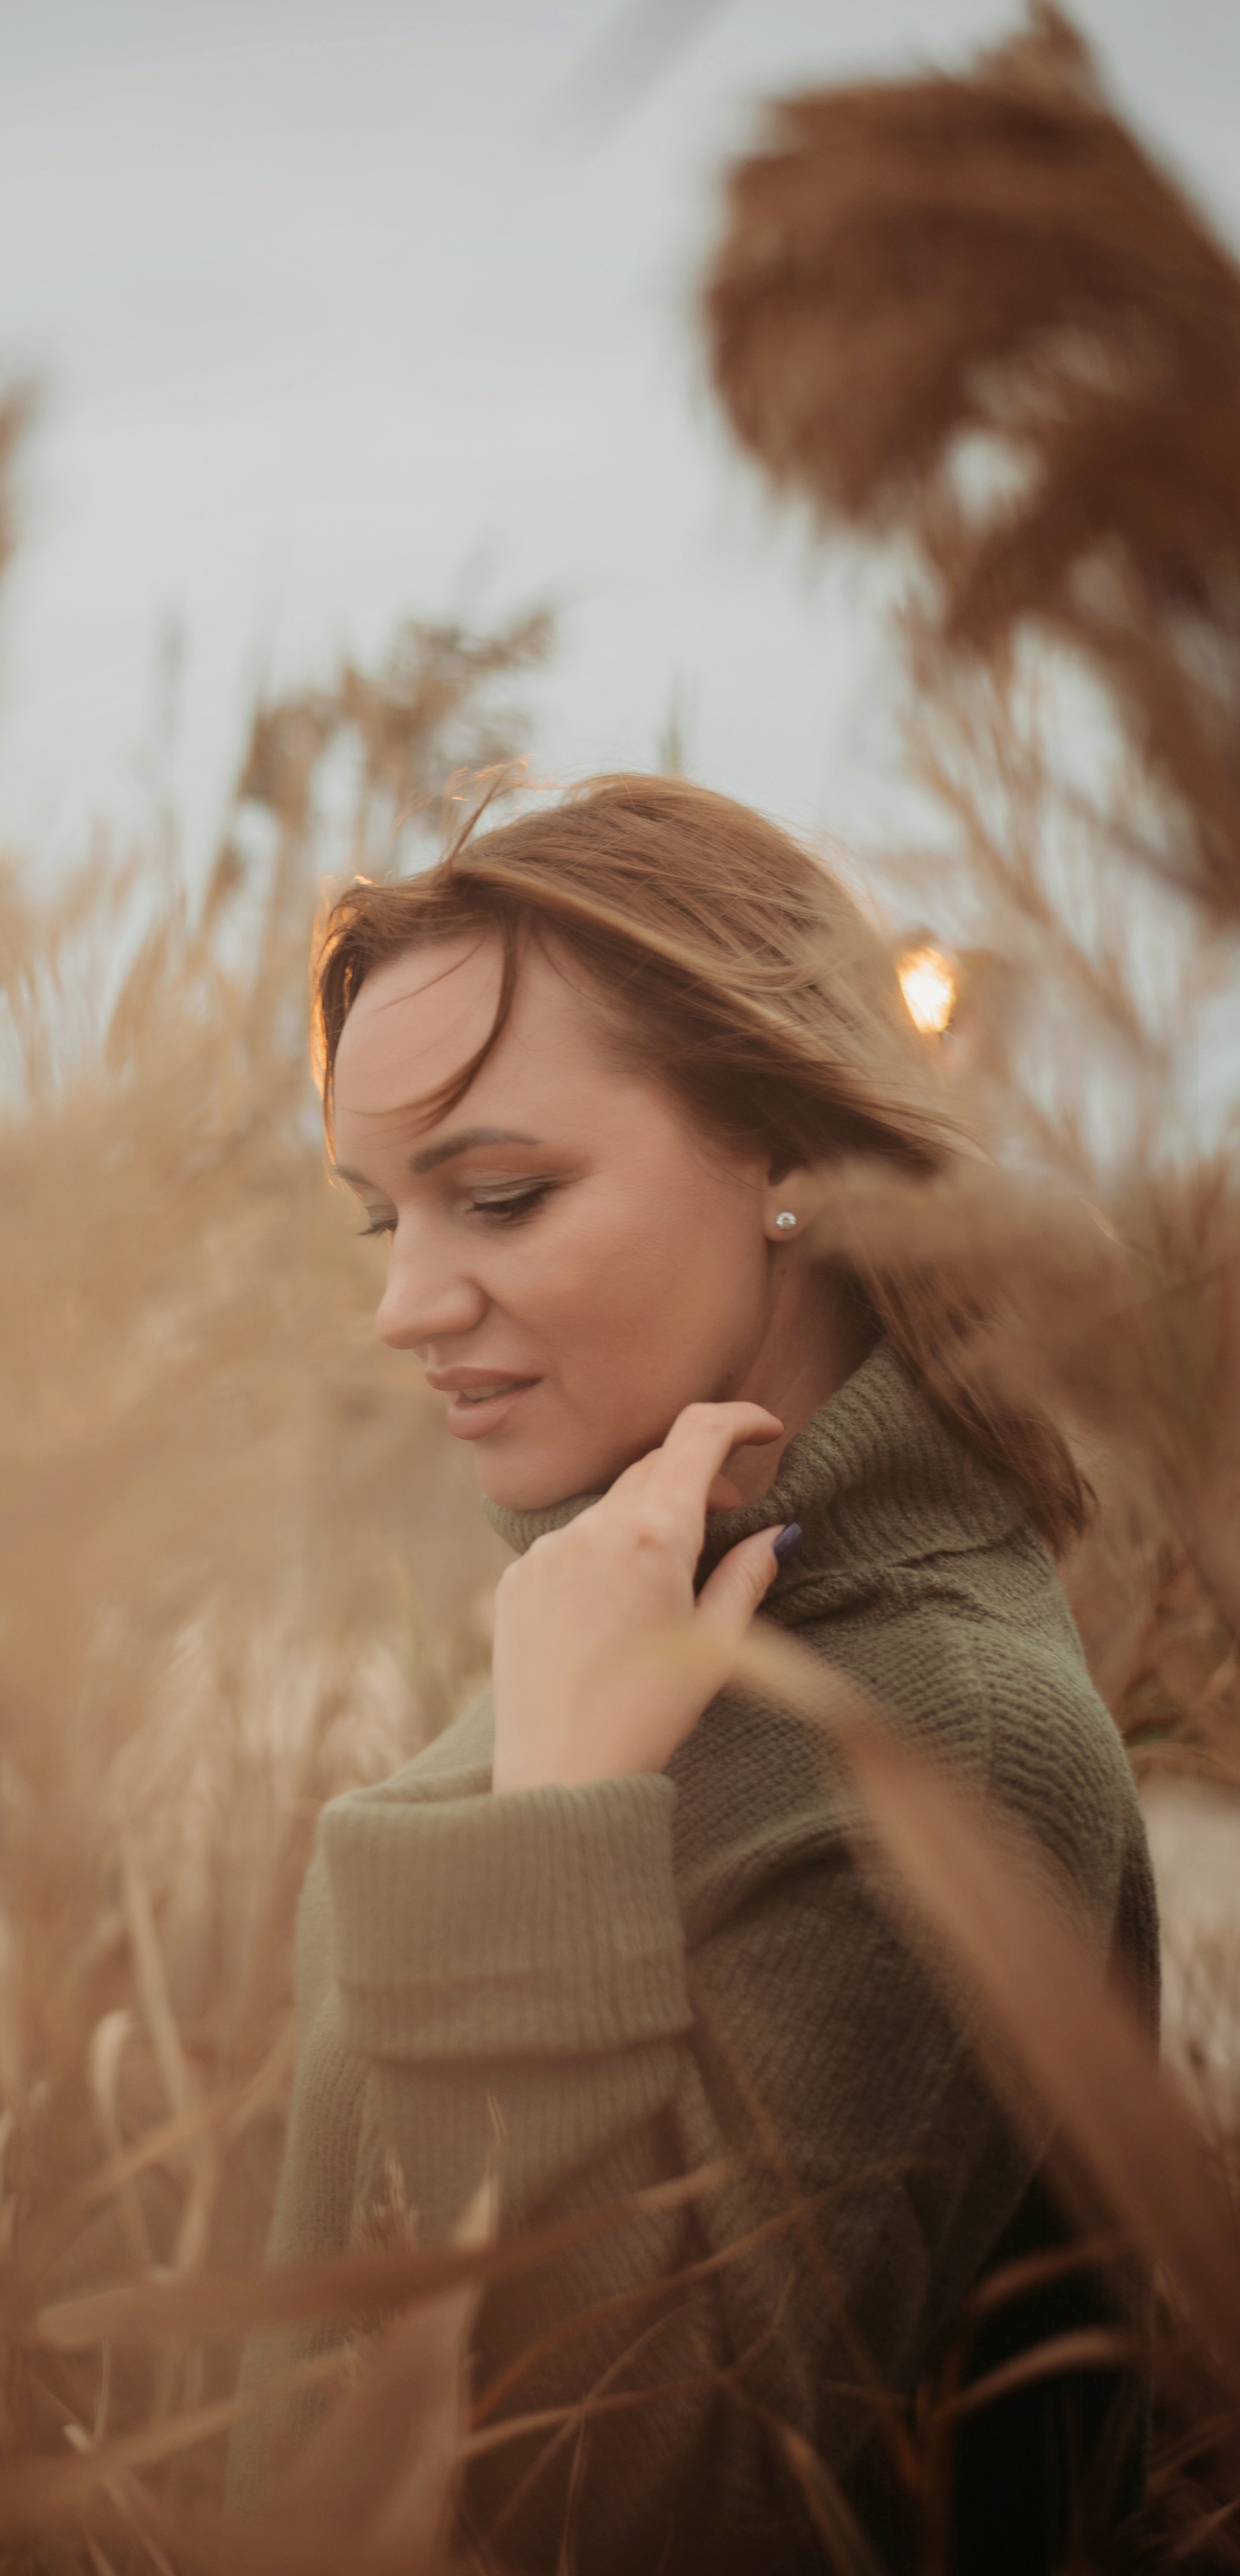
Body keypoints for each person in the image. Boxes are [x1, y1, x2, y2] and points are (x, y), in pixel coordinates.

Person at [237, 775, 1158, 2573]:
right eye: (385, 1215)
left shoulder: (943, 1746)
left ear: (794, 1157)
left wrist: (559, 1821)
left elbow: (600, 2512)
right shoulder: (627, 1607)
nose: (406, 1302)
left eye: (500, 1193)